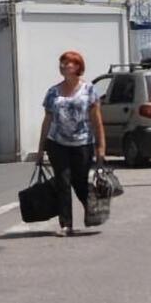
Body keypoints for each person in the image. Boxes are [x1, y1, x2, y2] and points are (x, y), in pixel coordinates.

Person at [38, 50, 106, 236]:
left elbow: (97, 121)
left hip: (83, 143)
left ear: (77, 66)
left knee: (80, 182)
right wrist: (41, 148)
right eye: (61, 63)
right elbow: (47, 120)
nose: (62, 66)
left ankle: (92, 210)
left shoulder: (89, 90)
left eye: (67, 63)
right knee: (63, 182)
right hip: (57, 143)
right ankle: (66, 224)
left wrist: (101, 148)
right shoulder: (53, 92)